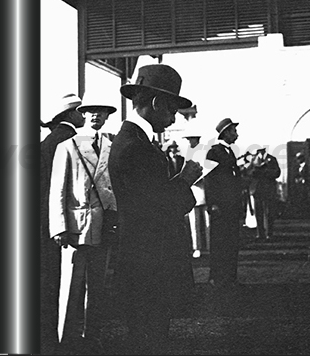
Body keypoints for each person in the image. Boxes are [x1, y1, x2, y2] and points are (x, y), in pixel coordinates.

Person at [108, 64, 202, 355]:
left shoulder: (133, 142)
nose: (173, 117)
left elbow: (151, 197)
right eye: (172, 110)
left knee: (146, 333)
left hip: (143, 258)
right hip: (150, 262)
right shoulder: (137, 148)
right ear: (156, 103)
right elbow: (158, 207)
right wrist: (186, 179)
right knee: (152, 337)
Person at [49, 98, 118, 353]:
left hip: (103, 226)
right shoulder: (67, 146)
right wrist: (58, 226)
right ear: (82, 114)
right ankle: (65, 337)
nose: (95, 116)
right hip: (76, 227)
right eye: (90, 111)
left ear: (107, 116)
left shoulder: (112, 147)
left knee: (97, 287)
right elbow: (58, 188)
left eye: (101, 112)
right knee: (71, 285)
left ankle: (92, 334)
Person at [39, 93, 85, 355]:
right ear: (68, 115)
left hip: (45, 222)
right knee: (65, 282)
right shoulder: (69, 141)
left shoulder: (47, 142)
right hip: (68, 223)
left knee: (49, 279)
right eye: (78, 111)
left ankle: (48, 336)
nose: (82, 115)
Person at [204, 117, 246, 290]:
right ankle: (216, 278)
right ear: (226, 133)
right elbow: (209, 179)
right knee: (219, 242)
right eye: (234, 131)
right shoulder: (213, 152)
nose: (236, 134)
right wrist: (212, 203)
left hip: (231, 206)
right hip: (220, 207)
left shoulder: (230, 152)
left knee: (231, 242)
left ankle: (230, 277)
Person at [182, 130, 210, 258]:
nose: (189, 141)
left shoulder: (204, 151)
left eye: (191, 139)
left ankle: (209, 246)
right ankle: (196, 247)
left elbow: (207, 170)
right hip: (192, 190)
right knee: (194, 223)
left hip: (203, 189)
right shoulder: (188, 152)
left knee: (207, 221)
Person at [249, 147, 281, 240]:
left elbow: (277, 173)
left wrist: (265, 172)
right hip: (257, 189)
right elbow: (249, 172)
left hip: (268, 189)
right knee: (258, 212)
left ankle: (269, 233)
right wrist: (254, 172)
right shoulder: (253, 160)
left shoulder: (272, 159)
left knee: (269, 212)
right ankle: (260, 233)